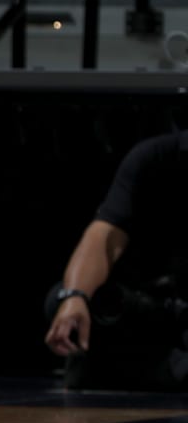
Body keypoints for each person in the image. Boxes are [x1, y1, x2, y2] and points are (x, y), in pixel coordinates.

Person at [45, 131, 188, 390]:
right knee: (62, 300)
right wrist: (75, 296)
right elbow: (104, 234)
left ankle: (131, 370)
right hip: (148, 305)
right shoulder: (153, 157)